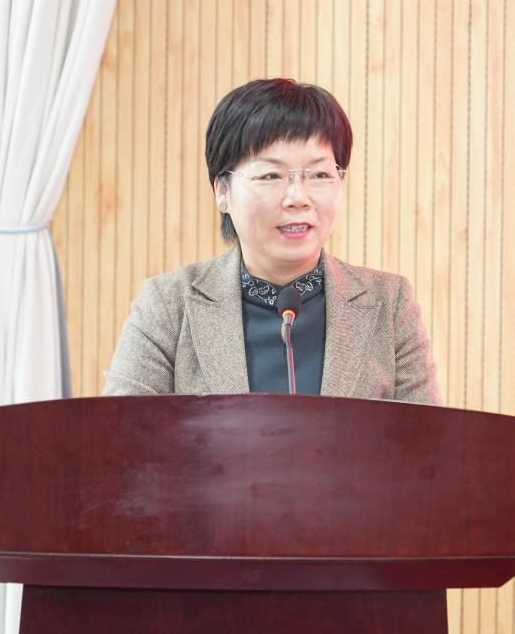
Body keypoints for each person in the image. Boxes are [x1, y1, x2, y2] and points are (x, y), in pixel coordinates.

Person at [103, 78, 441, 404]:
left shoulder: (390, 305)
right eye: (271, 175)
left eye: (320, 174)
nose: (298, 198)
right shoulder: (169, 305)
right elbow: (119, 435)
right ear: (223, 191)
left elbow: (429, 438)